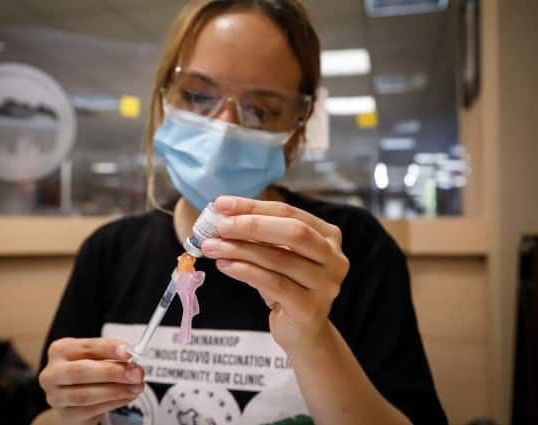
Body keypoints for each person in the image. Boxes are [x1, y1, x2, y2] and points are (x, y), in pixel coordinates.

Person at [32, 1, 448, 424]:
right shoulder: (109, 252)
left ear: (296, 127)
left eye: (260, 110)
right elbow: (42, 415)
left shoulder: (348, 251)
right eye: (197, 95)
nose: (224, 128)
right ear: (163, 101)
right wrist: (72, 409)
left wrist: (313, 337)